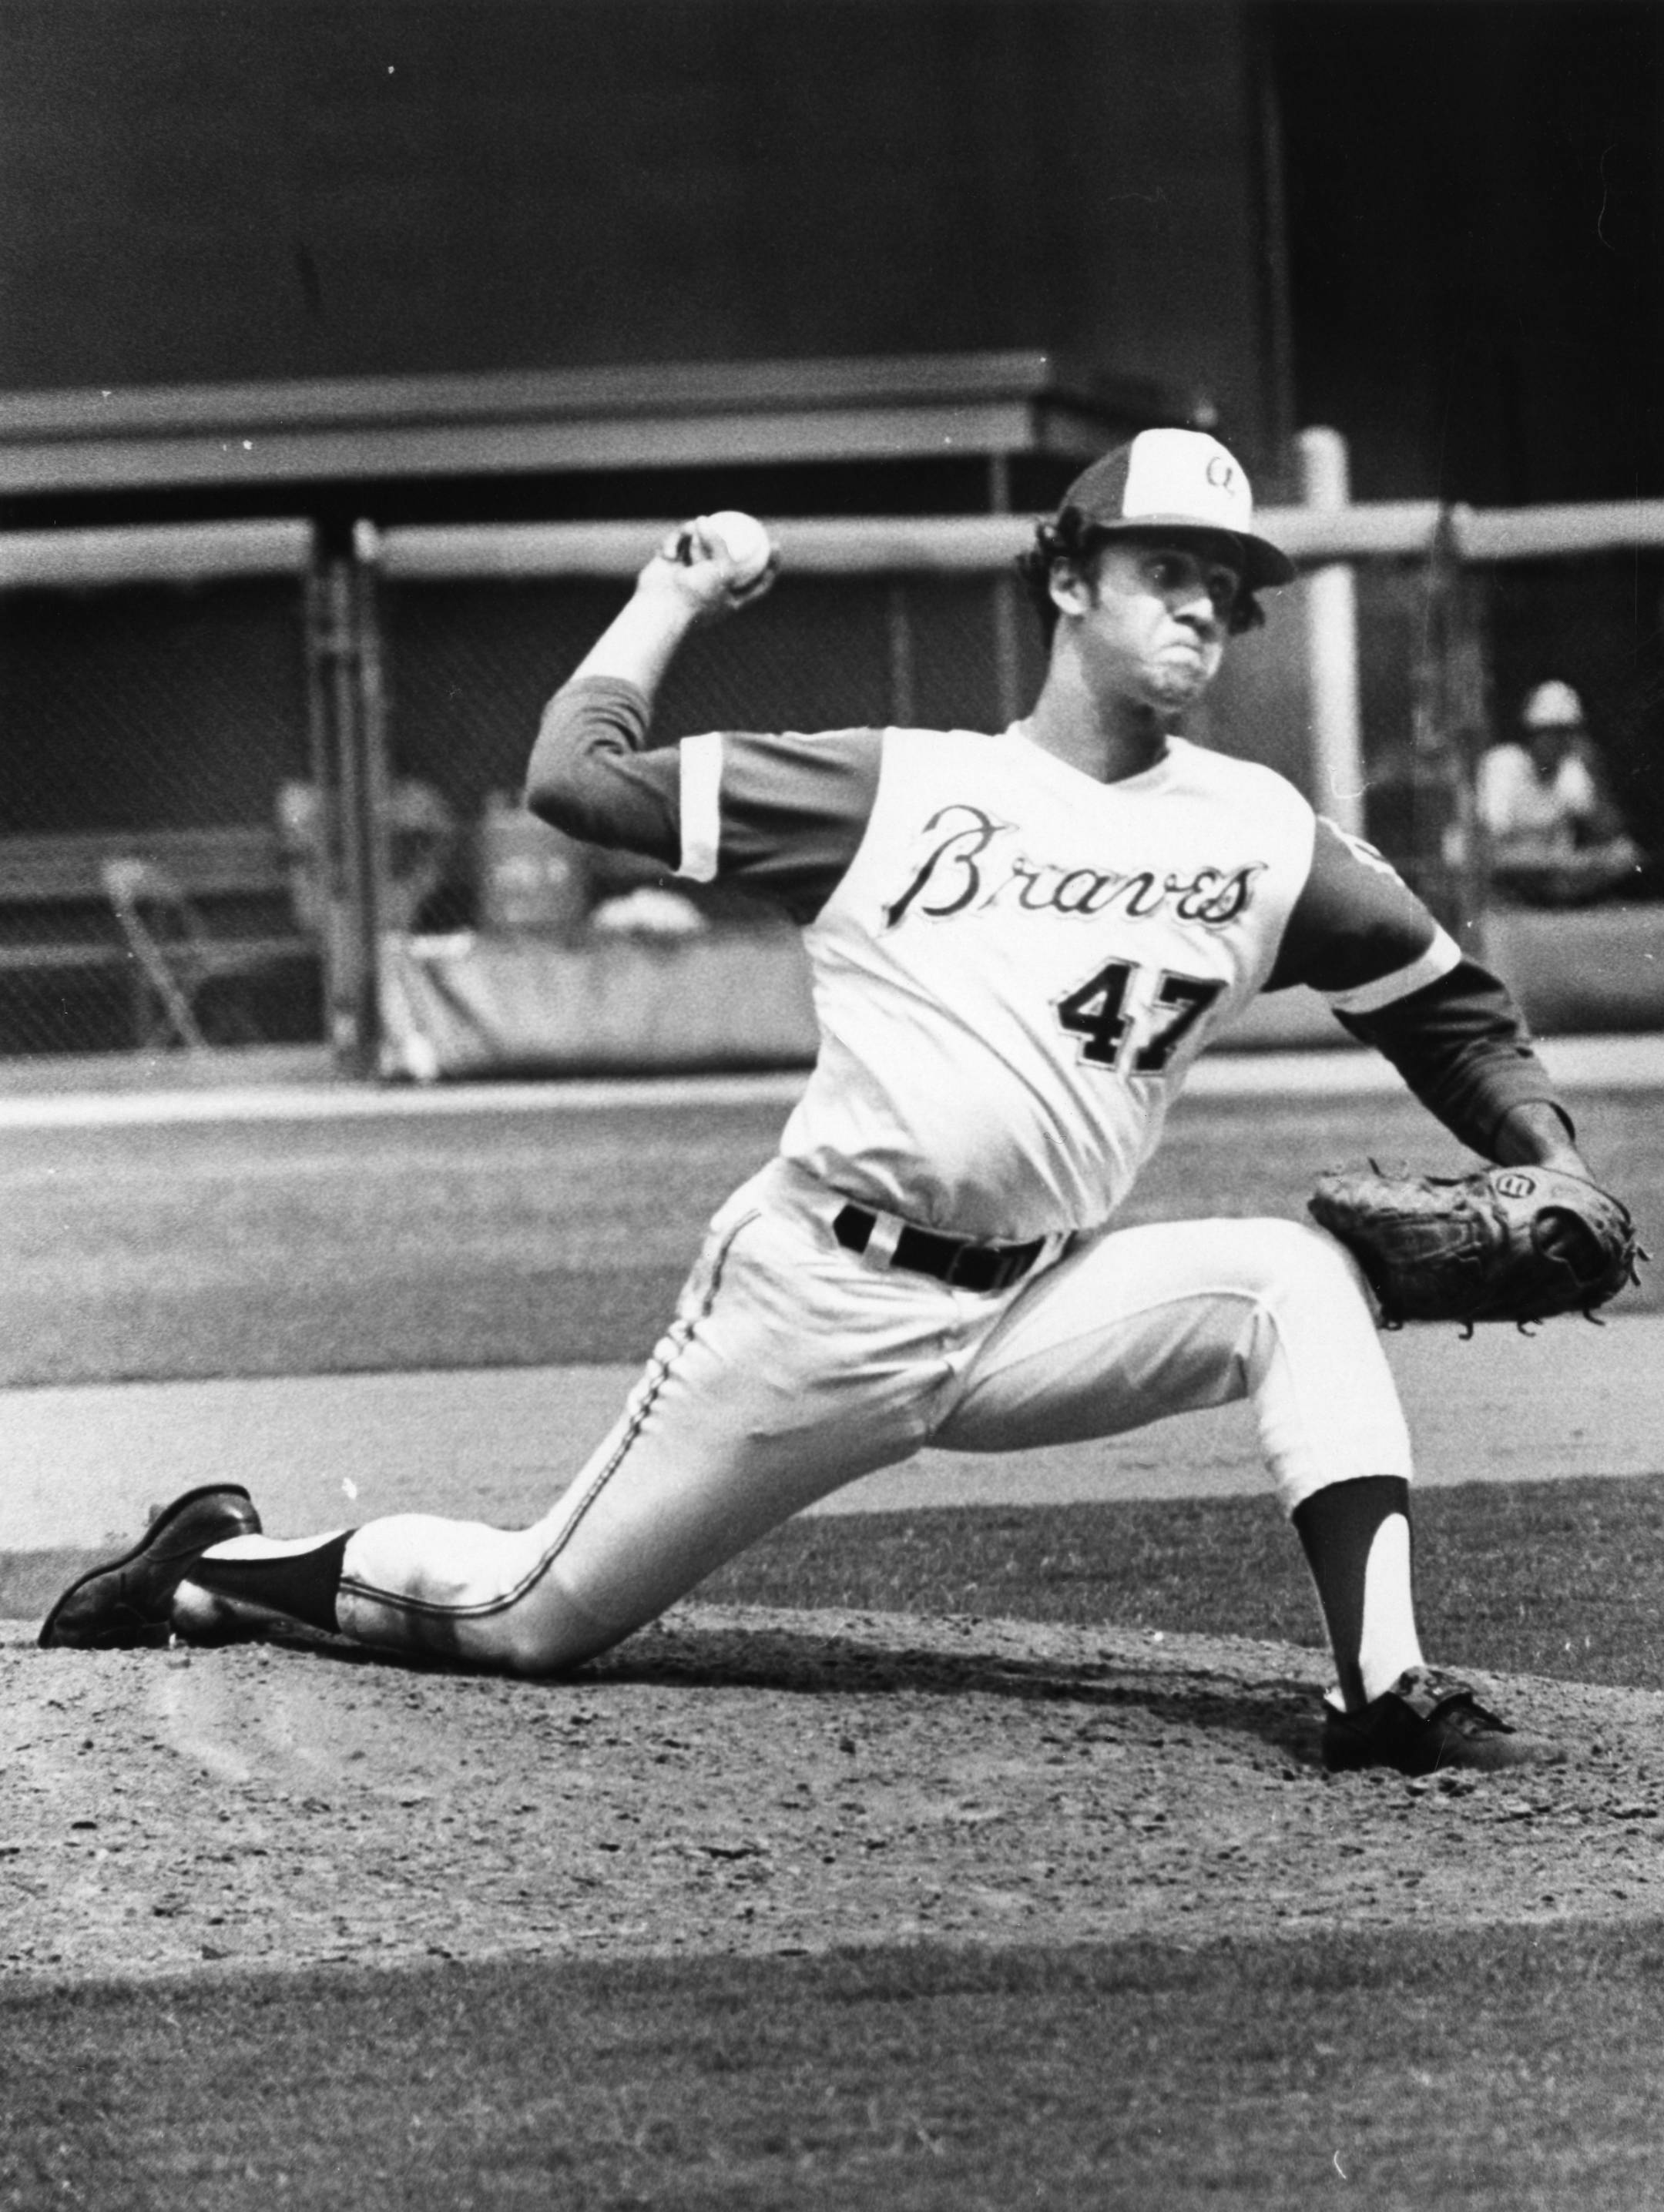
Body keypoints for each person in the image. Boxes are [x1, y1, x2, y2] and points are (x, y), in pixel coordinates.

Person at [40, 430, 1611, 1776]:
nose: (1208, 597)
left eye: (1230, 577)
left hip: (1035, 1305)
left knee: (1298, 1275)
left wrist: (1545, 1155)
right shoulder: (893, 787)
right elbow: (577, 783)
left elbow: (1445, 1003)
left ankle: (1381, 1684)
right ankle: (215, 1561)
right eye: (1166, 564)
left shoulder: (1266, 836)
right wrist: (670, 595)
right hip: (817, 1297)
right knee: (528, 1617)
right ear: (1067, 579)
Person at [1476, 679, 1642, 907]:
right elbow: (1491, 841)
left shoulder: (1572, 768)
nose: (1558, 742)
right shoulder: (1504, 762)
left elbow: (1608, 832)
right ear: (1532, 734)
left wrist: (1595, 771)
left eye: (1566, 733)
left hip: (1553, 870)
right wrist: (1552, 860)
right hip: (1508, 865)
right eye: (1550, 733)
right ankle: (1515, 901)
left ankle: (1550, 903)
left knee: (1625, 853)